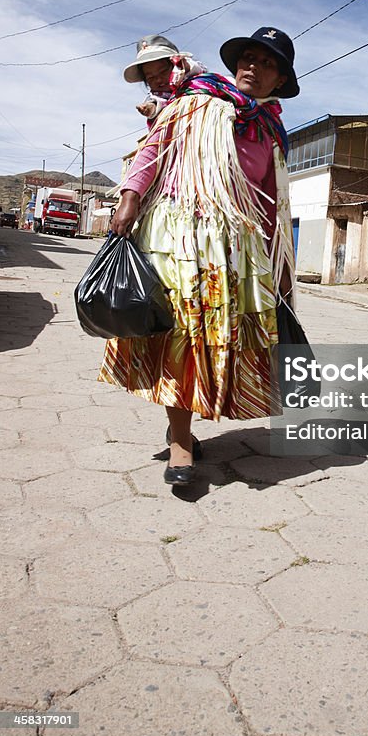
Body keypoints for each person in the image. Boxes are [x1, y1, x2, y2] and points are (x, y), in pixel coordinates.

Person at [99, 28, 299, 486]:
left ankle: (188, 420)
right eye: (248, 57)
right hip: (182, 233)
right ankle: (181, 444)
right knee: (181, 334)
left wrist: (279, 264)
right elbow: (154, 149)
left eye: (267, 63)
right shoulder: (195, 100)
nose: (254, 67)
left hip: (236, 247)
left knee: (214, 340)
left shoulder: (270, 131)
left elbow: (274, 202)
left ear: (281, 79)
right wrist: (129, 196)